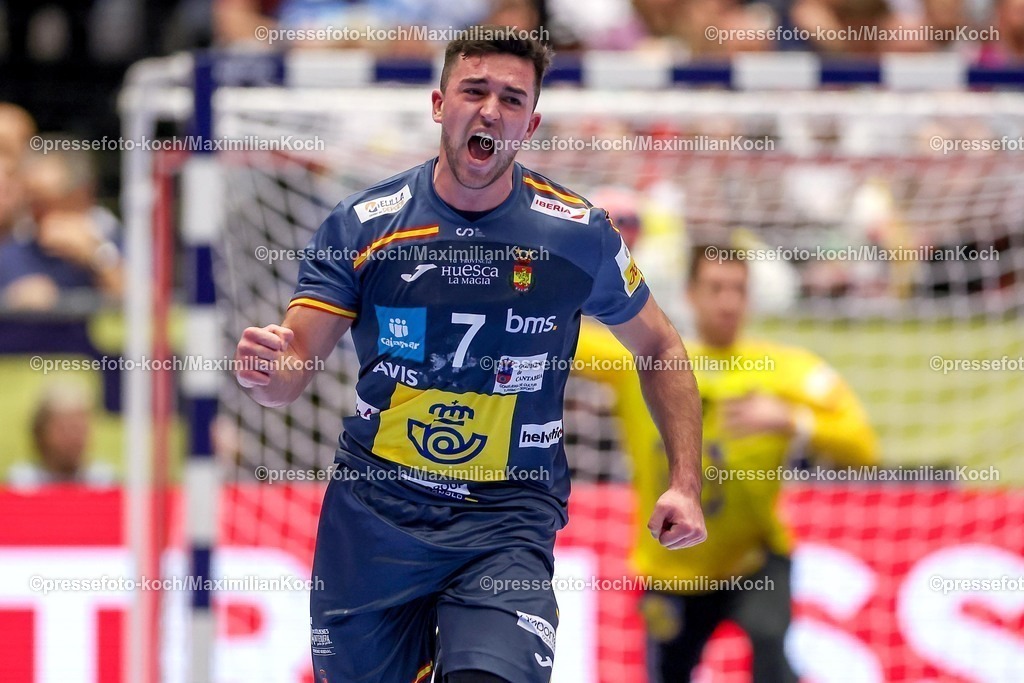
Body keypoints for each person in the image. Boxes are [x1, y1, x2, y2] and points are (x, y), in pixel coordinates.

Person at [234, 31, 706, 683]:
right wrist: (267, 369)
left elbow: (659, 343)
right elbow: (290, 376)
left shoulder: (575, 233)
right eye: (474, 90)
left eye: (512, 98)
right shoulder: (365, 226)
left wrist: (685, 480)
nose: (490, 110)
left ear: (531, 123)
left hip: (506, 515)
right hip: (377, 513)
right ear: (438, 104)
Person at [574, 244, 879, 682]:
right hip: (671, 572)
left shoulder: (784, 370)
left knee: (771, 647)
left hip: (752, 562)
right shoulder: (643, 361)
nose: (728, 301)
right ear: (690, 294)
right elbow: (566, 336)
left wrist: (794, 420)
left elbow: (864, 448)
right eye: (716, 288)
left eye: (738, 289)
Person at [7, 381, 116, 488]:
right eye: (64, 429)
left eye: (78, 428)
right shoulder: (21, 483)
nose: (73, 437)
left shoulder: (103, 481)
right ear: (40, 432)